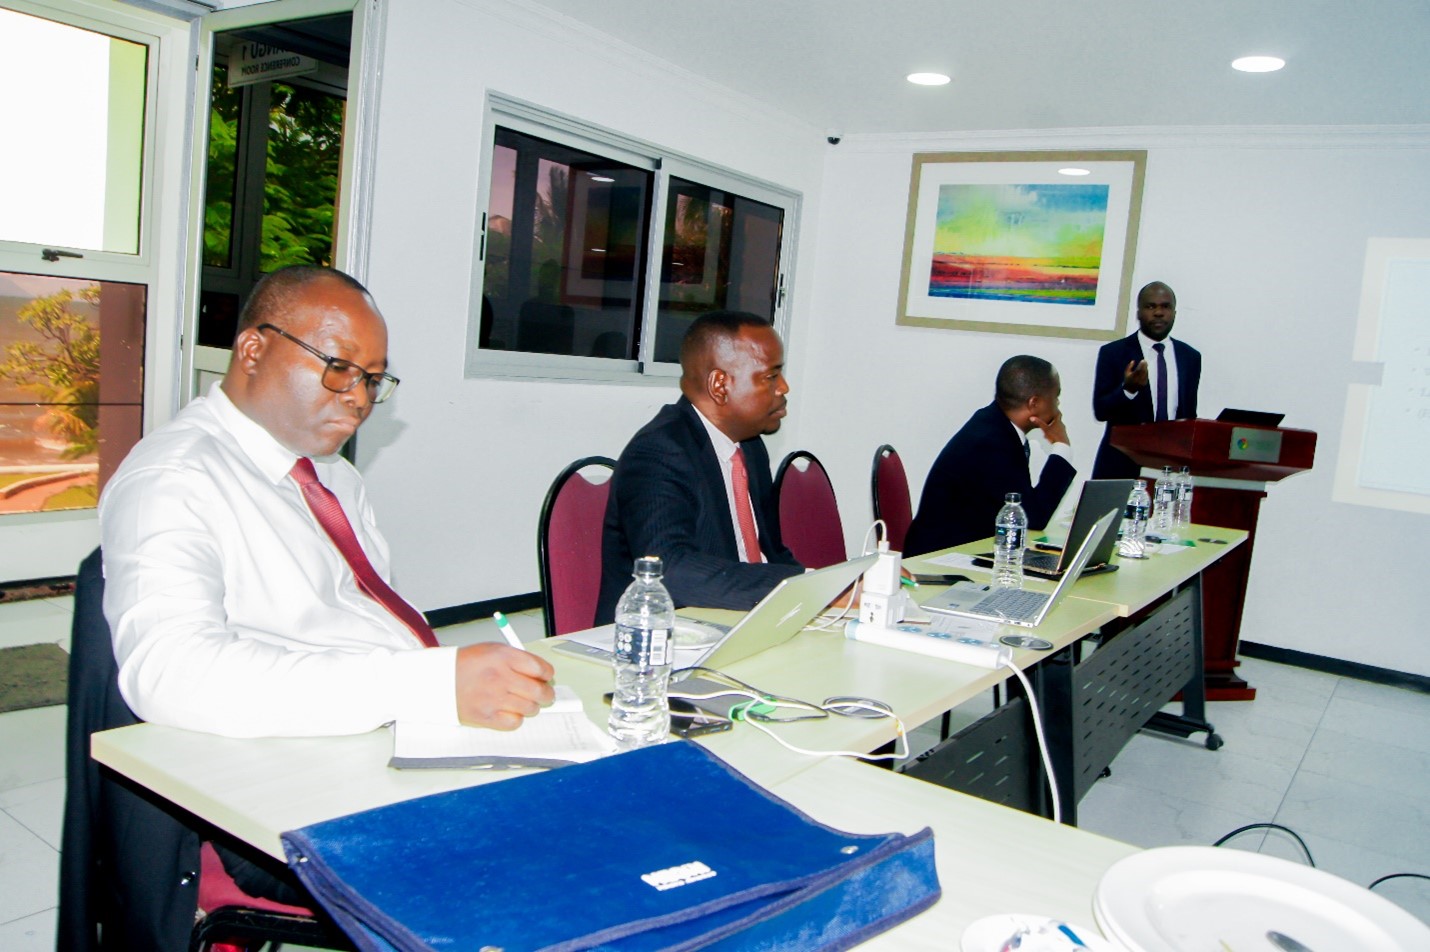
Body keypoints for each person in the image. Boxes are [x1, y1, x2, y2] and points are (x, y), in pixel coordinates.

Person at [100, 266, 555, 740]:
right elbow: (169, 674)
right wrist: (422, 686)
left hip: (386, 712)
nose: (359, 398)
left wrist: (442, 681)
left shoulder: (333, 474)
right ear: (253, 350)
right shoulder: (173, 480)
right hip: (292, 740)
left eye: (372, 379)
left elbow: (360, 614)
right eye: (339, 367)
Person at [596, 311, 803, 624]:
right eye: (770, 376)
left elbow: (771, 552)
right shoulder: (658, 452)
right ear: (720, 385)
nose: (783, 387)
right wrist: (795, 586)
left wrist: (820, 589)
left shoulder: (750, 446)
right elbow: (670, 571)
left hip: (741, 617)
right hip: (664, 632)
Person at [904, 355, 1077, 555]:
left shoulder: (994, 424)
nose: (1058, 403)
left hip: (965, 548)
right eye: (1056, 396)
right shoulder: (991, 443)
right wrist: (1062, 446)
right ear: (1034, 403)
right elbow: (1033, 518)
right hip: (937, 558)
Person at [1091, 280, 1202, 479]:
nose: (1158, 313)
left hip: (1170, 467)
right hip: (1122, 466)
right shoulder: (1113, 353)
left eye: (1165, 307)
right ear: (1138, 313)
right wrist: (1128, 390)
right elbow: (1101, 411)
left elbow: (1189, 415)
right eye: (1151, 306)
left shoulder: (1190, 357)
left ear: (1174, 313)